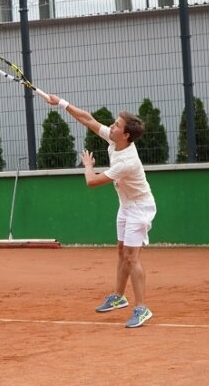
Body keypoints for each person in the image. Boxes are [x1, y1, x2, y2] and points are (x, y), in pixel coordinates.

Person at [47, 93, 157, 328]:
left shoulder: (127, 161)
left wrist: (88, 166)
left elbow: (93, 182)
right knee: (121, 251)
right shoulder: (115, 140)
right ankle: (118, 297)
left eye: (117, 125)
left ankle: (142, 308)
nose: (111, 126)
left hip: (140, 208)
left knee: (132, 257)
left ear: (126, 135)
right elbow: (88, 120)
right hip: (126, 205)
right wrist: (61, 103)